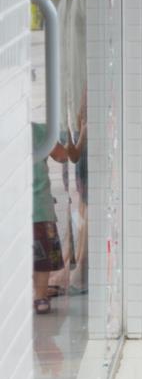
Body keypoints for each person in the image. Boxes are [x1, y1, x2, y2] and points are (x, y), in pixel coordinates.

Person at [31, 123, 68, 315]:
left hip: (13, 208)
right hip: (40, 207)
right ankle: (40, 296)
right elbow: (62, 156)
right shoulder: (39, 131)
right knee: (43, 257)